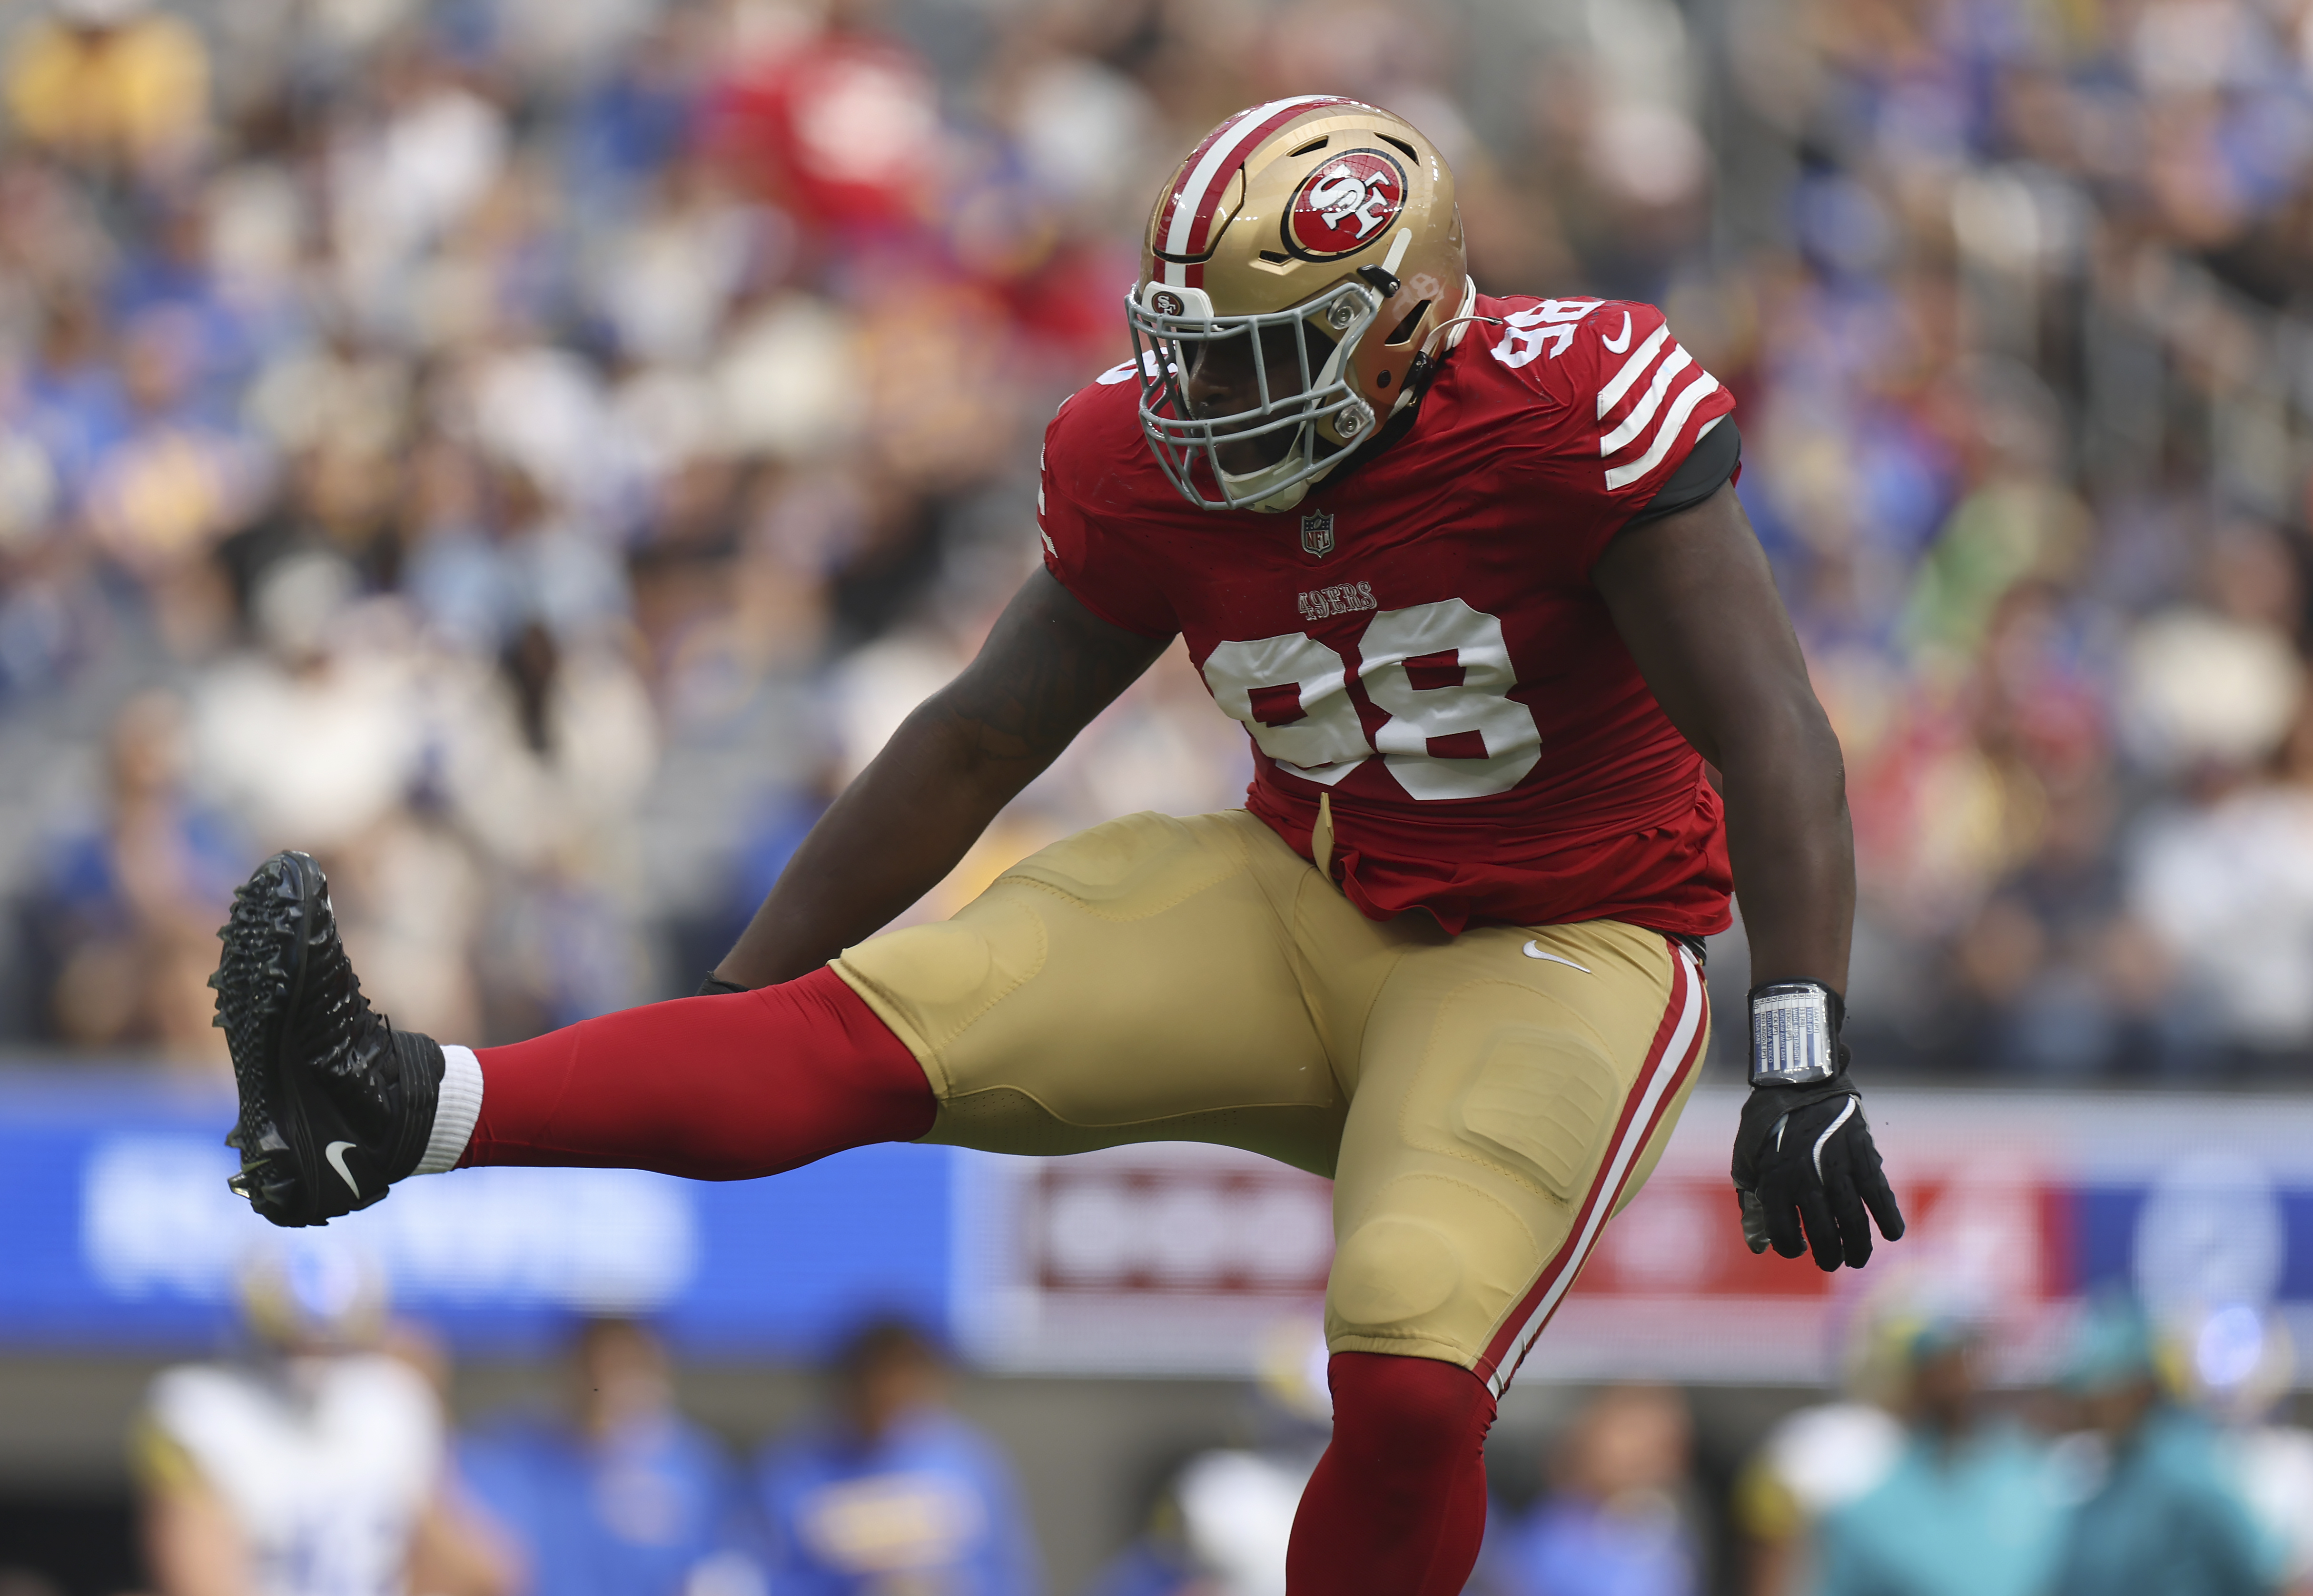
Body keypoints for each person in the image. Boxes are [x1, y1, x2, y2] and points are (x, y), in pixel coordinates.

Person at [208, 97, 1905, 1596]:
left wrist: (1801, 1033)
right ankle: (395, 1104)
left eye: (1255, 352)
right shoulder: (1136, 458)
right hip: (1298, 887)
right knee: (867, 1025)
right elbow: (979, 732)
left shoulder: (1567, 409)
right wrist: (739, 1002)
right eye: (1186, 346)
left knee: (1401, 1361)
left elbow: (1770, 728)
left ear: (1399, 333)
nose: (1198, 397)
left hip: (1565, 937)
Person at [131, 1244, 515, 1596]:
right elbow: (203, 1582)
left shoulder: (392, 1402)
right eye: (293, 1344)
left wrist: (431, 1419)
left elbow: (481, 1576)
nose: (310, 1364)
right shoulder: (199, 1416)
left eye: (328, 1345)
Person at [457, 1317, 751, 1596]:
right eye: (597, 1369)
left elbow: (721, 1568)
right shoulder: (506, 1457)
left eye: (628, 1368)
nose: (609, 1384)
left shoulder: (693, 1467)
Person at [752, 1317, 1039, 1596]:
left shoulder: (967, 1462)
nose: (886, 1392)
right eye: (873, 1377)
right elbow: (767, 1575)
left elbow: (1009, 1574)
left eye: (901, 1376)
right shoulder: (795, 1466)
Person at [1809, 1314, 2065, 1596]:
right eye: (1943, 1364)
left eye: (1969, 1358)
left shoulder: (2043, 1482)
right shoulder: (1863, 1506)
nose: (1962, 1379)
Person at [2047, 1296, 2277, 1596]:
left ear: (2141, 1388)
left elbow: (2273, 1573)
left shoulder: (2188, 1469)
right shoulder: (2098, 1476)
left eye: (2101, 1390)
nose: (2088, 1405)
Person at [1500, 1386, 1701, 1596]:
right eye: (1631, 1432)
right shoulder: (1554, 1533)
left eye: (1661, 1443)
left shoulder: (1673, 1537)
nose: (1643, 1453)